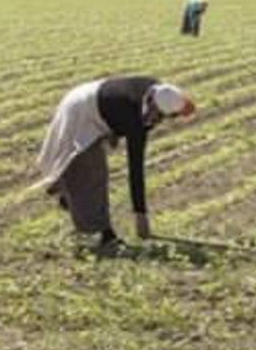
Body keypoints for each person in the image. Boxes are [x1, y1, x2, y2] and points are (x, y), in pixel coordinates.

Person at [36, 78, 196, 254]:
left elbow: (185, 106)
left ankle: (71, 196)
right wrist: (140, 215)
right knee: (92, 173)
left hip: (97, 100)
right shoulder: (134, 118)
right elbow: (135, 167)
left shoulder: (159, 90)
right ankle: (103, 236)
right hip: (81, 110)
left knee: (84, 170)